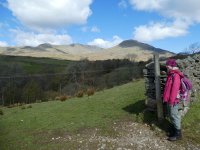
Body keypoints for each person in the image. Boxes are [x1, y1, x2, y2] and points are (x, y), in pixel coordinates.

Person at [163, 58, 184, 141]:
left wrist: (171, 101)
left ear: (172, 66)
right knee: (171, 114)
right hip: (170, 99)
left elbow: (175, 89)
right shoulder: (171, 74)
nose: (166, 67)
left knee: (174, 115)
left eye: (167, 66)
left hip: (173, 100)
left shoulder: (176, 75)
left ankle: (178, 134)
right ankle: (174, 130)